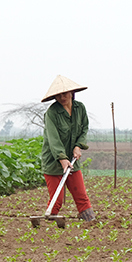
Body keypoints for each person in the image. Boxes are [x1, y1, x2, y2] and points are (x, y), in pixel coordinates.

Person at [40, 75, 96, 222]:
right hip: (53, 161)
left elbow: (84, 129)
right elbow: (53, 139)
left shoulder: (80, 108)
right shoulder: (52, 113)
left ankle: (90, 223)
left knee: (81, 196)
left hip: (72, 159)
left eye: (64, 93)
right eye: (58, 95)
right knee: (56, 201)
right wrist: (62, 158)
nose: (62, 97)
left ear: (71, 92)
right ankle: (49, 226)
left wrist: (78, 146)